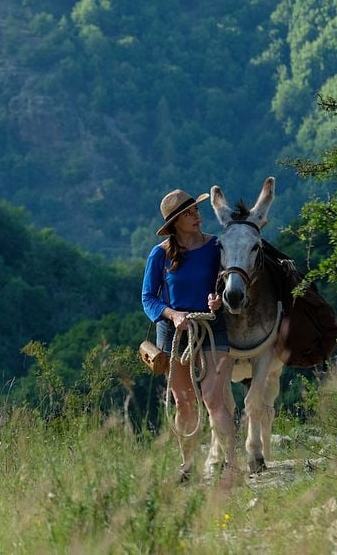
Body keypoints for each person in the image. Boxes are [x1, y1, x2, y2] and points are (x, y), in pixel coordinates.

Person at [141, 187, 233, 480]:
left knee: (213, 399)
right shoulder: (160, 254)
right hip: (173, 333)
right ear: (175, 223)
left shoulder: (216, 246)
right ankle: (188, 465)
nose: (196, 216)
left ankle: (231, 464)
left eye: (195, 210)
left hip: (211, 325)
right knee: (183, 400)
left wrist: (218, 298)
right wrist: (173, 314)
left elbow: (227, 281)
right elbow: (148, 298)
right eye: (189, 213)